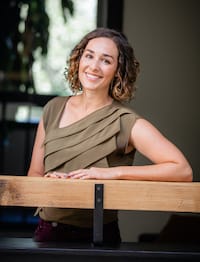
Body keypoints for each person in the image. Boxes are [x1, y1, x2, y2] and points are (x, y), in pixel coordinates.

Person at [27, 27, 193, 243]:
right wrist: (50, 183)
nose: (94, 66)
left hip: (97, 237)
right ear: (79, 60)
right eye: (89, 56)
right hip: (47, 233)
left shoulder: (125, 121)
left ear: (118, 70)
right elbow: (34, 174)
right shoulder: (53, 108)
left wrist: (113, 174)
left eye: (106, 60)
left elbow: (182, 170)